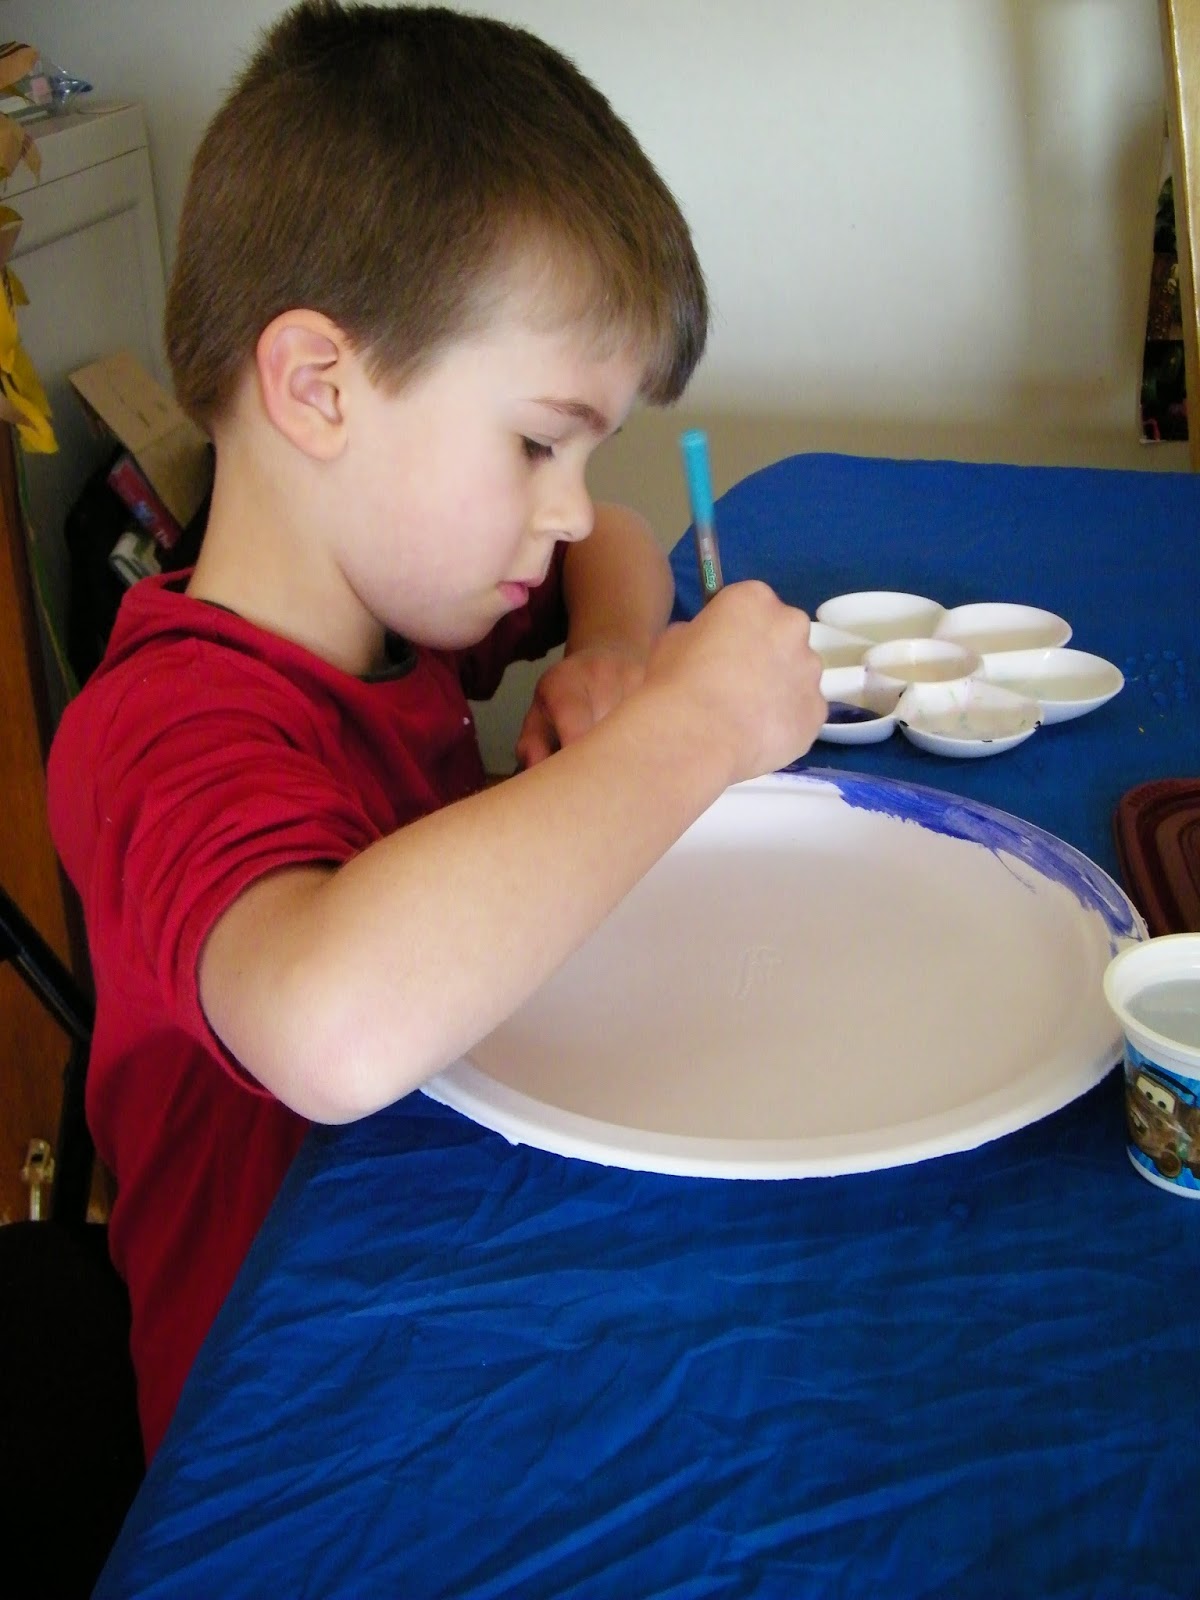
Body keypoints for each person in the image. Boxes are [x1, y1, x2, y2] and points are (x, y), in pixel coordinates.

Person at [47, 0, 826, 1462]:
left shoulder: (404, 612)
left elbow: (620, 544)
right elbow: (332, 1026)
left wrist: (609, 651)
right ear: (319, 388)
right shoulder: (158, 730)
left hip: (462, 1291)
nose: (568, 507)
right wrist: (696, 728)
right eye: (537, 442)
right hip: (296, 1440)